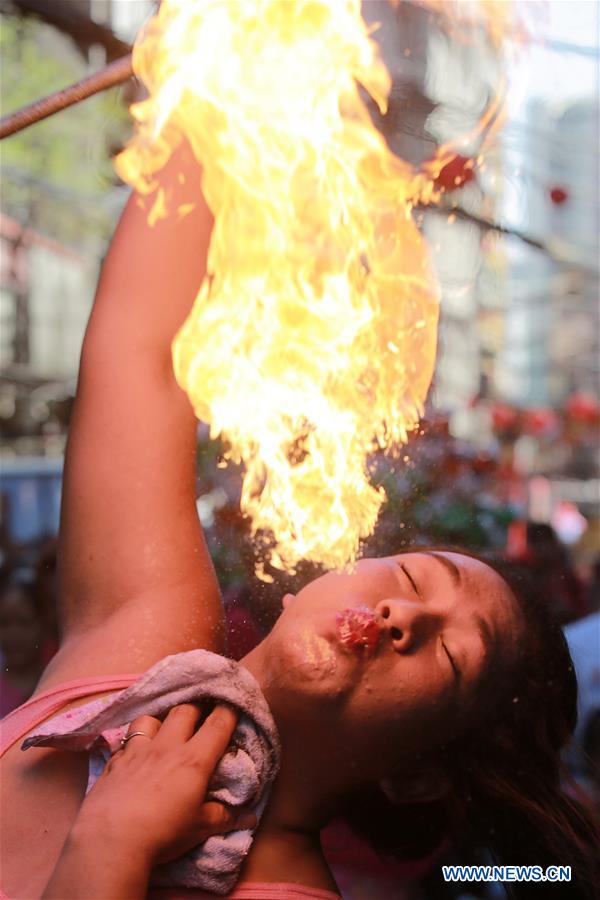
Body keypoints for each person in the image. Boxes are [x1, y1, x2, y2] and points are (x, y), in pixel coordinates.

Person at [0, 143, 598, 900]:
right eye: (413, 578)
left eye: (449, 656)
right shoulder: (142, 644)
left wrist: (111, 845)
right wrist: (225, 98)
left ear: (415, 776)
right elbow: (144, 345)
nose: (403, 615)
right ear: (304, 590)